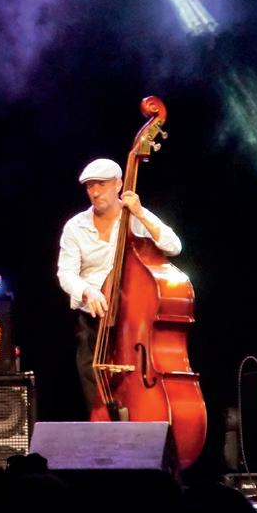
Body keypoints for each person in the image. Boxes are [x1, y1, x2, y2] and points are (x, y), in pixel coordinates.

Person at [56, 157, 182, 410]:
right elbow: (66, 273)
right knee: (95, 395)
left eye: (101, 184)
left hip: (133, 322)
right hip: (93, 322)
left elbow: (174, 247)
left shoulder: (135, 218)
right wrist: (88, 291)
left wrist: (141, 213)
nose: (95, 192)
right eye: (90, 186)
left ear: (118, 185)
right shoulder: (75, 227)